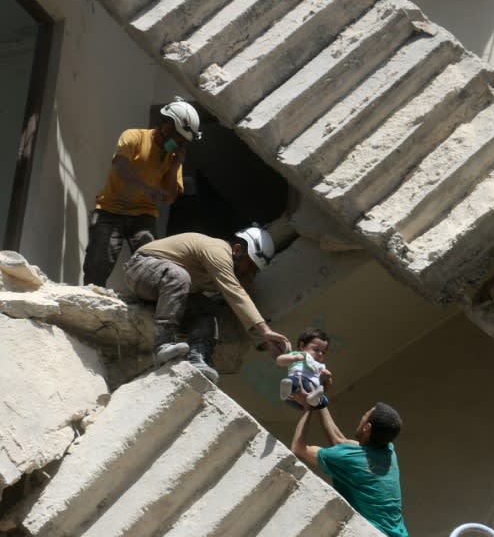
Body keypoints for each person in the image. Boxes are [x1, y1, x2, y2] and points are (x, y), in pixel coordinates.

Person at [123, 226, 291, 381]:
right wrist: (266, 330)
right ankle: (163, 341)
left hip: (164, 289)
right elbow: (235, 293)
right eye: (250, 266)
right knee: (179, 276)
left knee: (206, 309)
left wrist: (266, 342)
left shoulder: (231, 269)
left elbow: (238, 307)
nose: (250, 274)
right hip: (141, 269)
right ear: (238, 250)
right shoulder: (218, 250)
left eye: (254, 271)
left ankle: (198, 358)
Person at [83, 97, 202, 287]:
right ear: (166, 125)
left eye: (182, 142)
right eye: (178, 138)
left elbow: (170, 198)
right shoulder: (133, 137)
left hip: (143, 216)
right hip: (110, 210)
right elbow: (121, 167)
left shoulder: (172, 157)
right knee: (97, 263)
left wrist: (175, 166)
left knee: (152, 263)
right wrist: (146, 188)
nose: (178, 144)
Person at [291, 399, 409, 537]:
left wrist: (308, 409)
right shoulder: (388, 450)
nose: (362, 417)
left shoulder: (350, 460)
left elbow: (298, 448)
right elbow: (339, 441)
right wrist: (320, 400)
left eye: (365, 415)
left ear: (367, 427)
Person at [276, 327, 332, 409]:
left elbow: (327, 387)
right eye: (316, 349)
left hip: (310, 393)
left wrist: (328, 378)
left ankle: (313, 399)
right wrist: (294, 358)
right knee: (292, 381)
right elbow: (279, 360)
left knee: (325, 402)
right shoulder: (299, 355)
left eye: (323, 352)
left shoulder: (320, 365)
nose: (320, 354)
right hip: (297, 384)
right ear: (302, 346)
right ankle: (286, 391)